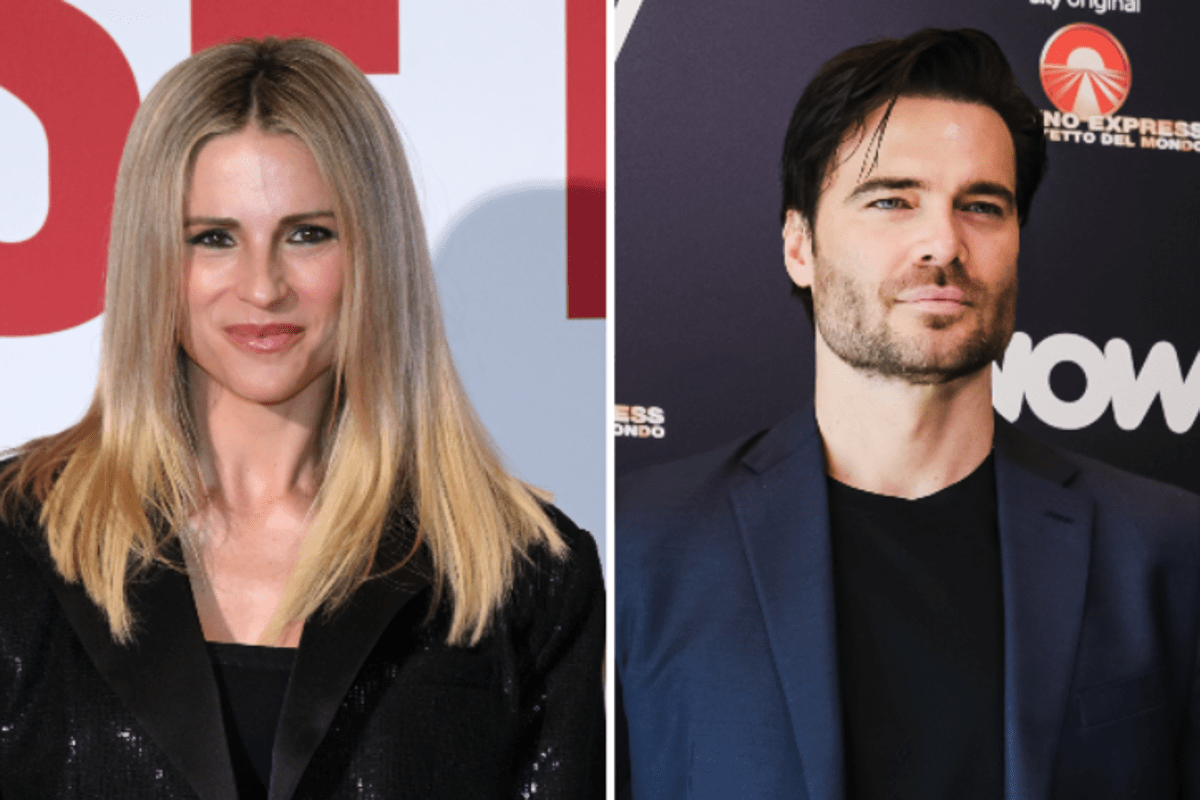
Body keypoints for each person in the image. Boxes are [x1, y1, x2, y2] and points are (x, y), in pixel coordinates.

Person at [0, 37, 603, 799]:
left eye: (308, 234)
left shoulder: (521, 573)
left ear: (375, 254)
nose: (263, 287)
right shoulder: (17, 543)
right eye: (213, 238)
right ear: (154, 260)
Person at [617, 28, 1200, 800]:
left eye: (982, 206)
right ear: (799, 246)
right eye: (892, 200)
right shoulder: (642, 548)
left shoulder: (1165, 552)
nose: (943, 243)